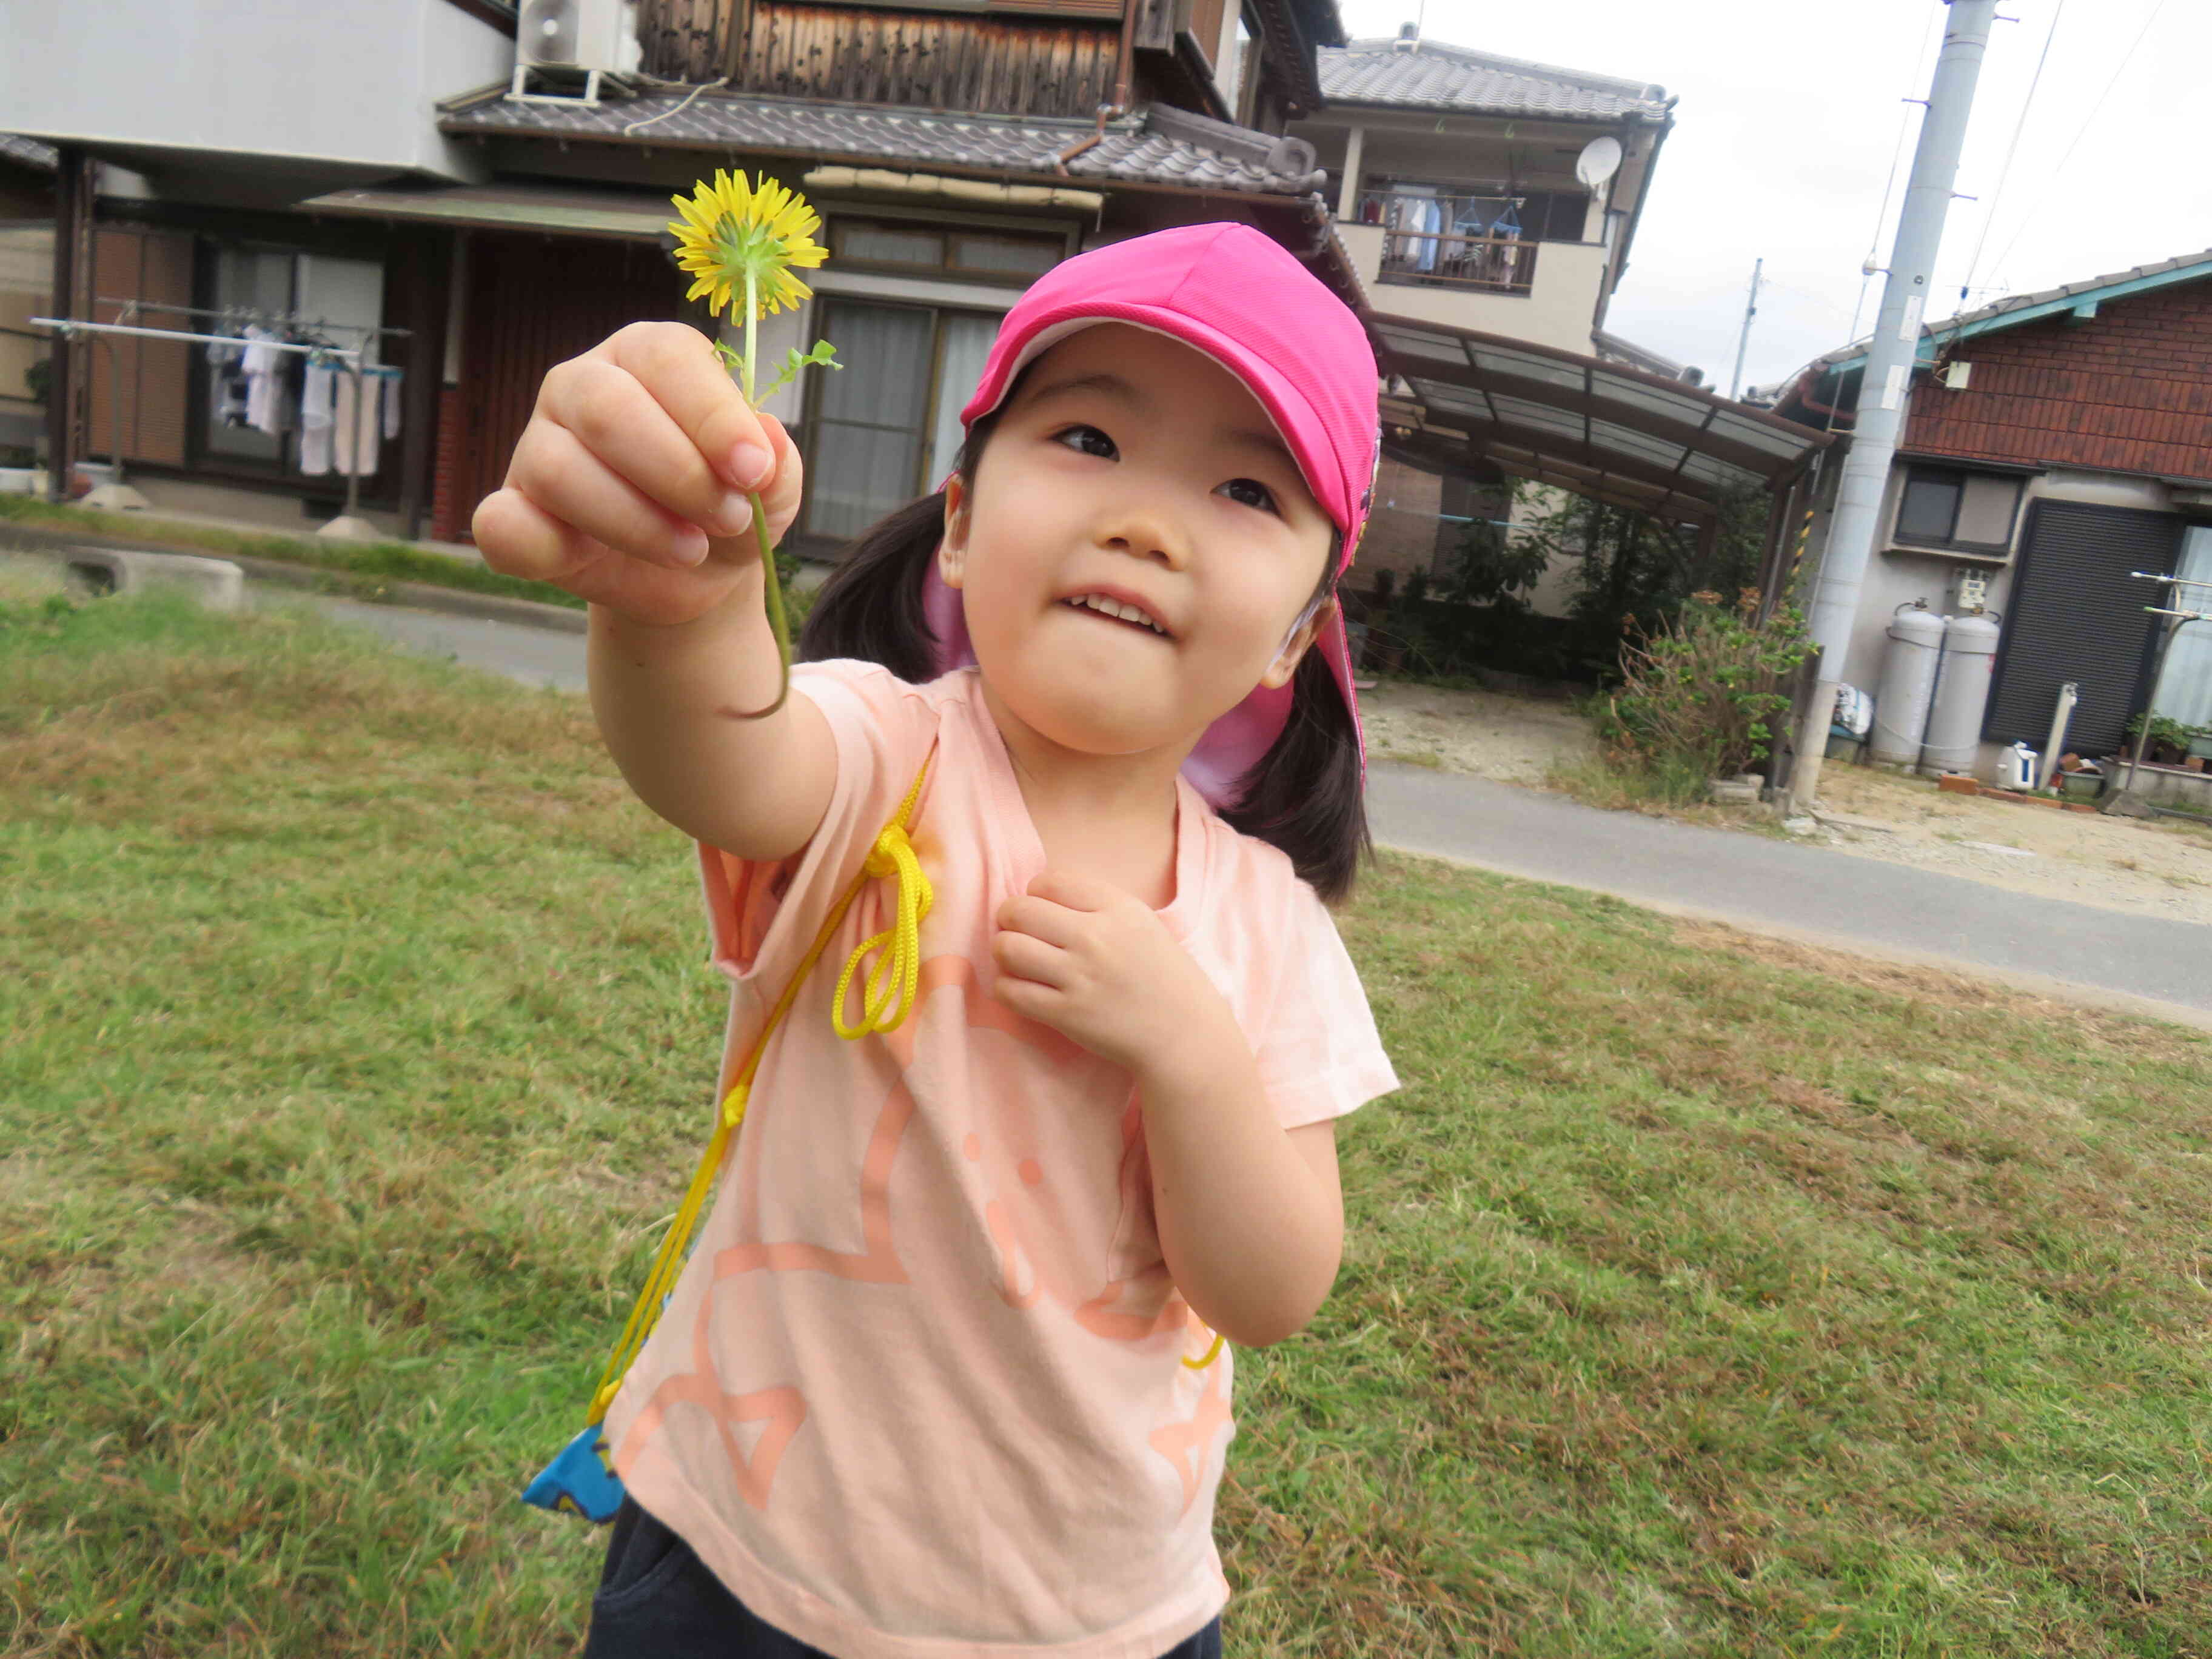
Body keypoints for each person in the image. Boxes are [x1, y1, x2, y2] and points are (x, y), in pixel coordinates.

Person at [473, 222, 1399, 1659]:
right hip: (749, 1561)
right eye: (1088, 435)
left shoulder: (1262, 930)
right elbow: (723, 757)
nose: (1146, 520)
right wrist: (686, 606)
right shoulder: (886, 755)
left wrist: (1191, 1049)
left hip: (1096, 1614)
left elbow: (1268, 1290)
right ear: (960, 524)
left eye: (1242, 487)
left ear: (1295, 637)